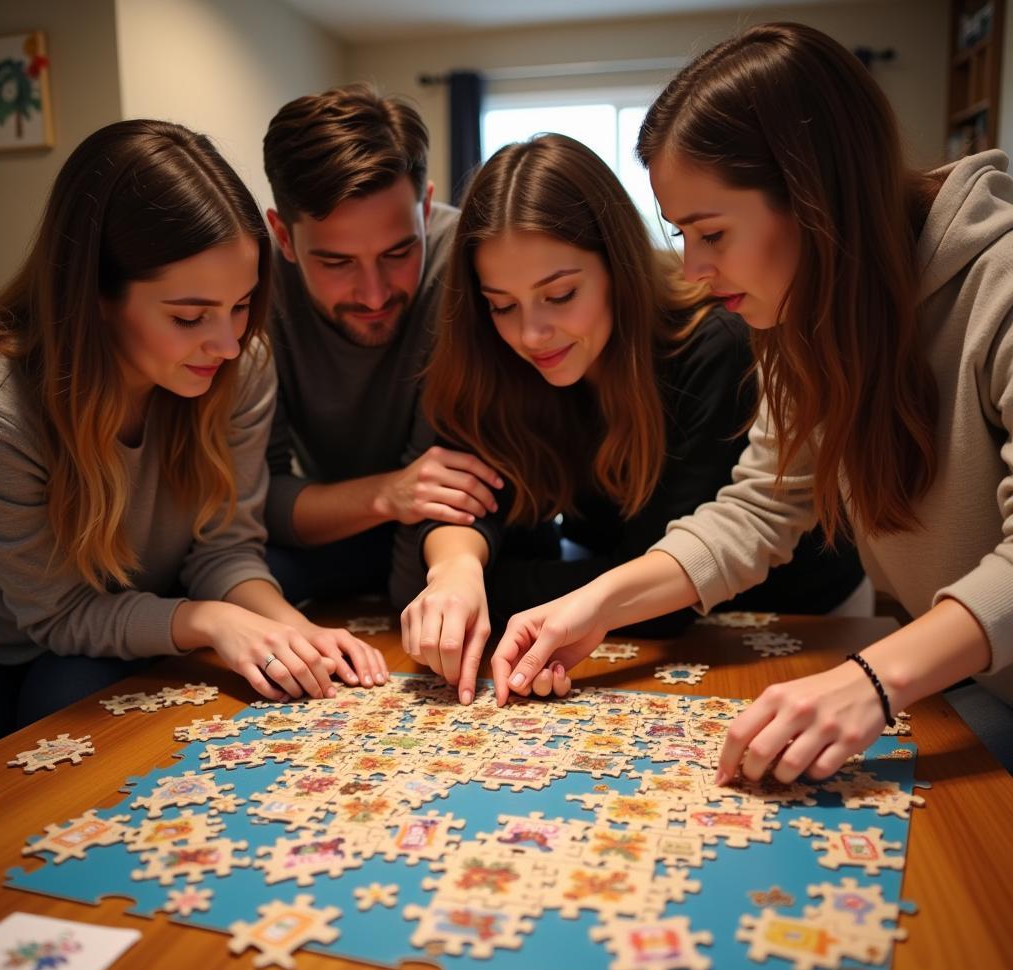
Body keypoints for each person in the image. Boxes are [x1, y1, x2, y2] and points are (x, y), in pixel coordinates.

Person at [491, 23, 1013, 782]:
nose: (694, 269)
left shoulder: (998, 287)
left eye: (710, 233)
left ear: (815, 197)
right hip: (961, 687)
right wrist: (597, 606)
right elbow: (763, 507)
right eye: (680, 234)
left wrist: (871, 680)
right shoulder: (800, 309)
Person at [393, 133, 866, 703]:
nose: (530, 334)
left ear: (618, 269)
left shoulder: (714, 343)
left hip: (797, 622)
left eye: (561, 294)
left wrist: (495, 581)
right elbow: (441, 530)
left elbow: (662, 600)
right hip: (627, 622)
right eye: (502, 304)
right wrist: (455, 571)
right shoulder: (499, 356)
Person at [0, 119, 386, 742]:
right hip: (24, 648)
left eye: (240, 305)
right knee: (61, 693)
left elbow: (226, 546)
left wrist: (291, 630)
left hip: (156, 607)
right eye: (190, 316)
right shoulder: (4, 412)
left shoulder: (239, 362)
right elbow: (59, 617)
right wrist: (209, 621)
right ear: (95, 294)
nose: (227, 343)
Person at [261, 84, 502, 605]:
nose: (374, 294)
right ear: (282, 236)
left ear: (426, 206)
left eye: (399, 251)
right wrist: (388, 493)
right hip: (334, 529)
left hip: (457, 535)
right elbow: (253, 500)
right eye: (336, 262)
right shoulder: (247, 291)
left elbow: (445, 490)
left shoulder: (464, 265)